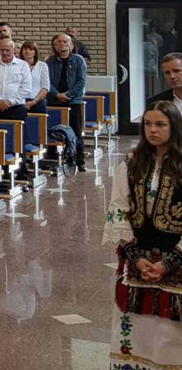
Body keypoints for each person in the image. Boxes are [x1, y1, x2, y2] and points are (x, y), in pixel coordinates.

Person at [103, 101, 182, 369]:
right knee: (135, 329)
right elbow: (118, 208)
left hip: (177, 259)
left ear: (174, 126)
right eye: (148, 124)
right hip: (138, 258)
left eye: (160, 124)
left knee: (171, 335)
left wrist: (169, 262)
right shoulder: (132, 161)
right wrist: (135, 256)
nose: (153, 130)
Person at [46, 32, 88, 170]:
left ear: (71, 45)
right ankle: (53, 159)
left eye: (65, 42)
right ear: (55, 45)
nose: (62, 44)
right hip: (55, 100)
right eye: (59, 42)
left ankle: (79, 159)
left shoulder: (78, 60)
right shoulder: (49, 61)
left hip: (73, 101)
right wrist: (57, 94)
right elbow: (47, 81)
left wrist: (68, 95)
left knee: (76, 131)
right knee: (53, 130)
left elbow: (80, 81)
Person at [0, 38, 32, 122]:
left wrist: (10, 102)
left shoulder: (23, 65)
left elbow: (26, 88)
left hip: (16, 108)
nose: (4, 53)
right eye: (2, 50)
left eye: (7, 50)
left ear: (14, 49)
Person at [19, 41, 49, 115]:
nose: (27, 51)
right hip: (20, 102)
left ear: (35, 52)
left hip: (38, 102)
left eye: (31, 49)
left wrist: (34, 101)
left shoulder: (42, 66)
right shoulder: (17, 66)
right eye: (25, 49)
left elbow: (45, 87)